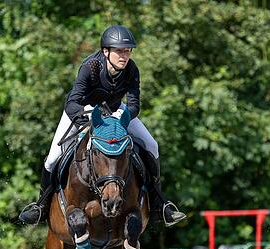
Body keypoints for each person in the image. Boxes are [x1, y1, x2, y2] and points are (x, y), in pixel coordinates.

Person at [18, 25, 185, 227]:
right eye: (119, 51)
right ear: (105, 51)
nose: (125, 56)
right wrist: (84, 118)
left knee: (152, 145)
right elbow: (73, 101)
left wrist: (122, 117)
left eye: (128, 51)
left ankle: (159, 205)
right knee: (53, 156)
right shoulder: (90, 67)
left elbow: (134, 105)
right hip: (83, 109)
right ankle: (41, 207)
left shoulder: (131, 69)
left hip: (116, 111)